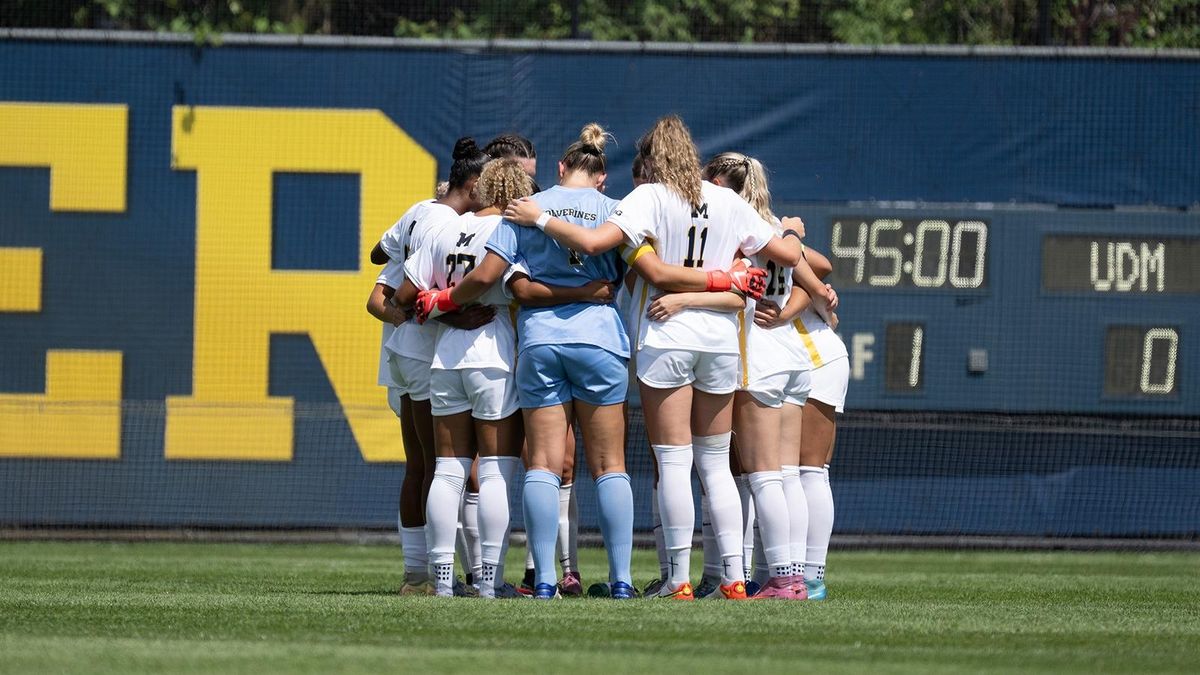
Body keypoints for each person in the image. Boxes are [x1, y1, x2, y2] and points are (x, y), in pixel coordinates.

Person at [495, 115, 836, 600]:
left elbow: (595, 244)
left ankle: (677, 579)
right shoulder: (726, 200)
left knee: (674, 463)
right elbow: (782, 252)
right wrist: (796, 251)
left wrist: (541, 219)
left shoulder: (649, 197)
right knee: (716, 465)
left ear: (653, 159)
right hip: (719, 340)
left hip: (666, 336)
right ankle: (734, 579)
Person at [366, 140, 490, 596]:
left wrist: (405, 242)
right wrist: (453, 315)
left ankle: (421, 572)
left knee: (422, 466)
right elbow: (415, 296)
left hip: (403, 350)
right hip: (424, 352)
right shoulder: (452, 223)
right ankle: (430, 576)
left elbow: (379, 254)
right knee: (441, 467)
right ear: (473, 184)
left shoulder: (421, 210)